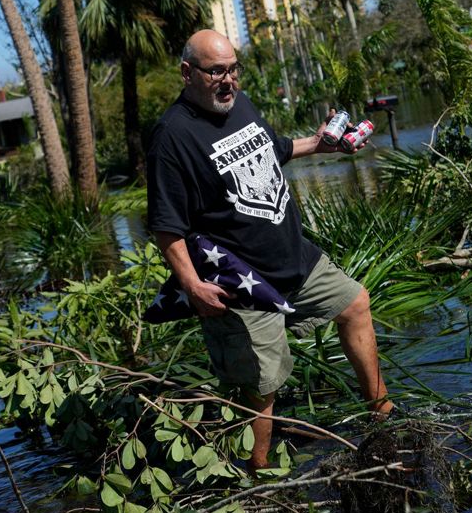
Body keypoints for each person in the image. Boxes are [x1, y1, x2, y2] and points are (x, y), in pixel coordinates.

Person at [146, 29, 391, 470]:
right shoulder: (172, 136)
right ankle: (258, 482)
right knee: (262, 389)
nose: (228, 80)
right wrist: (192, 285)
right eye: (216, 71)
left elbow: (273, 151)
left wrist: (317, 143)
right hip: (244, 280)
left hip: (294, 257)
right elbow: (167, 227)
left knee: (355, 303)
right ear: (187, 73)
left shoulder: (239, 104)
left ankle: (385, 417)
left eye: (233, 69)